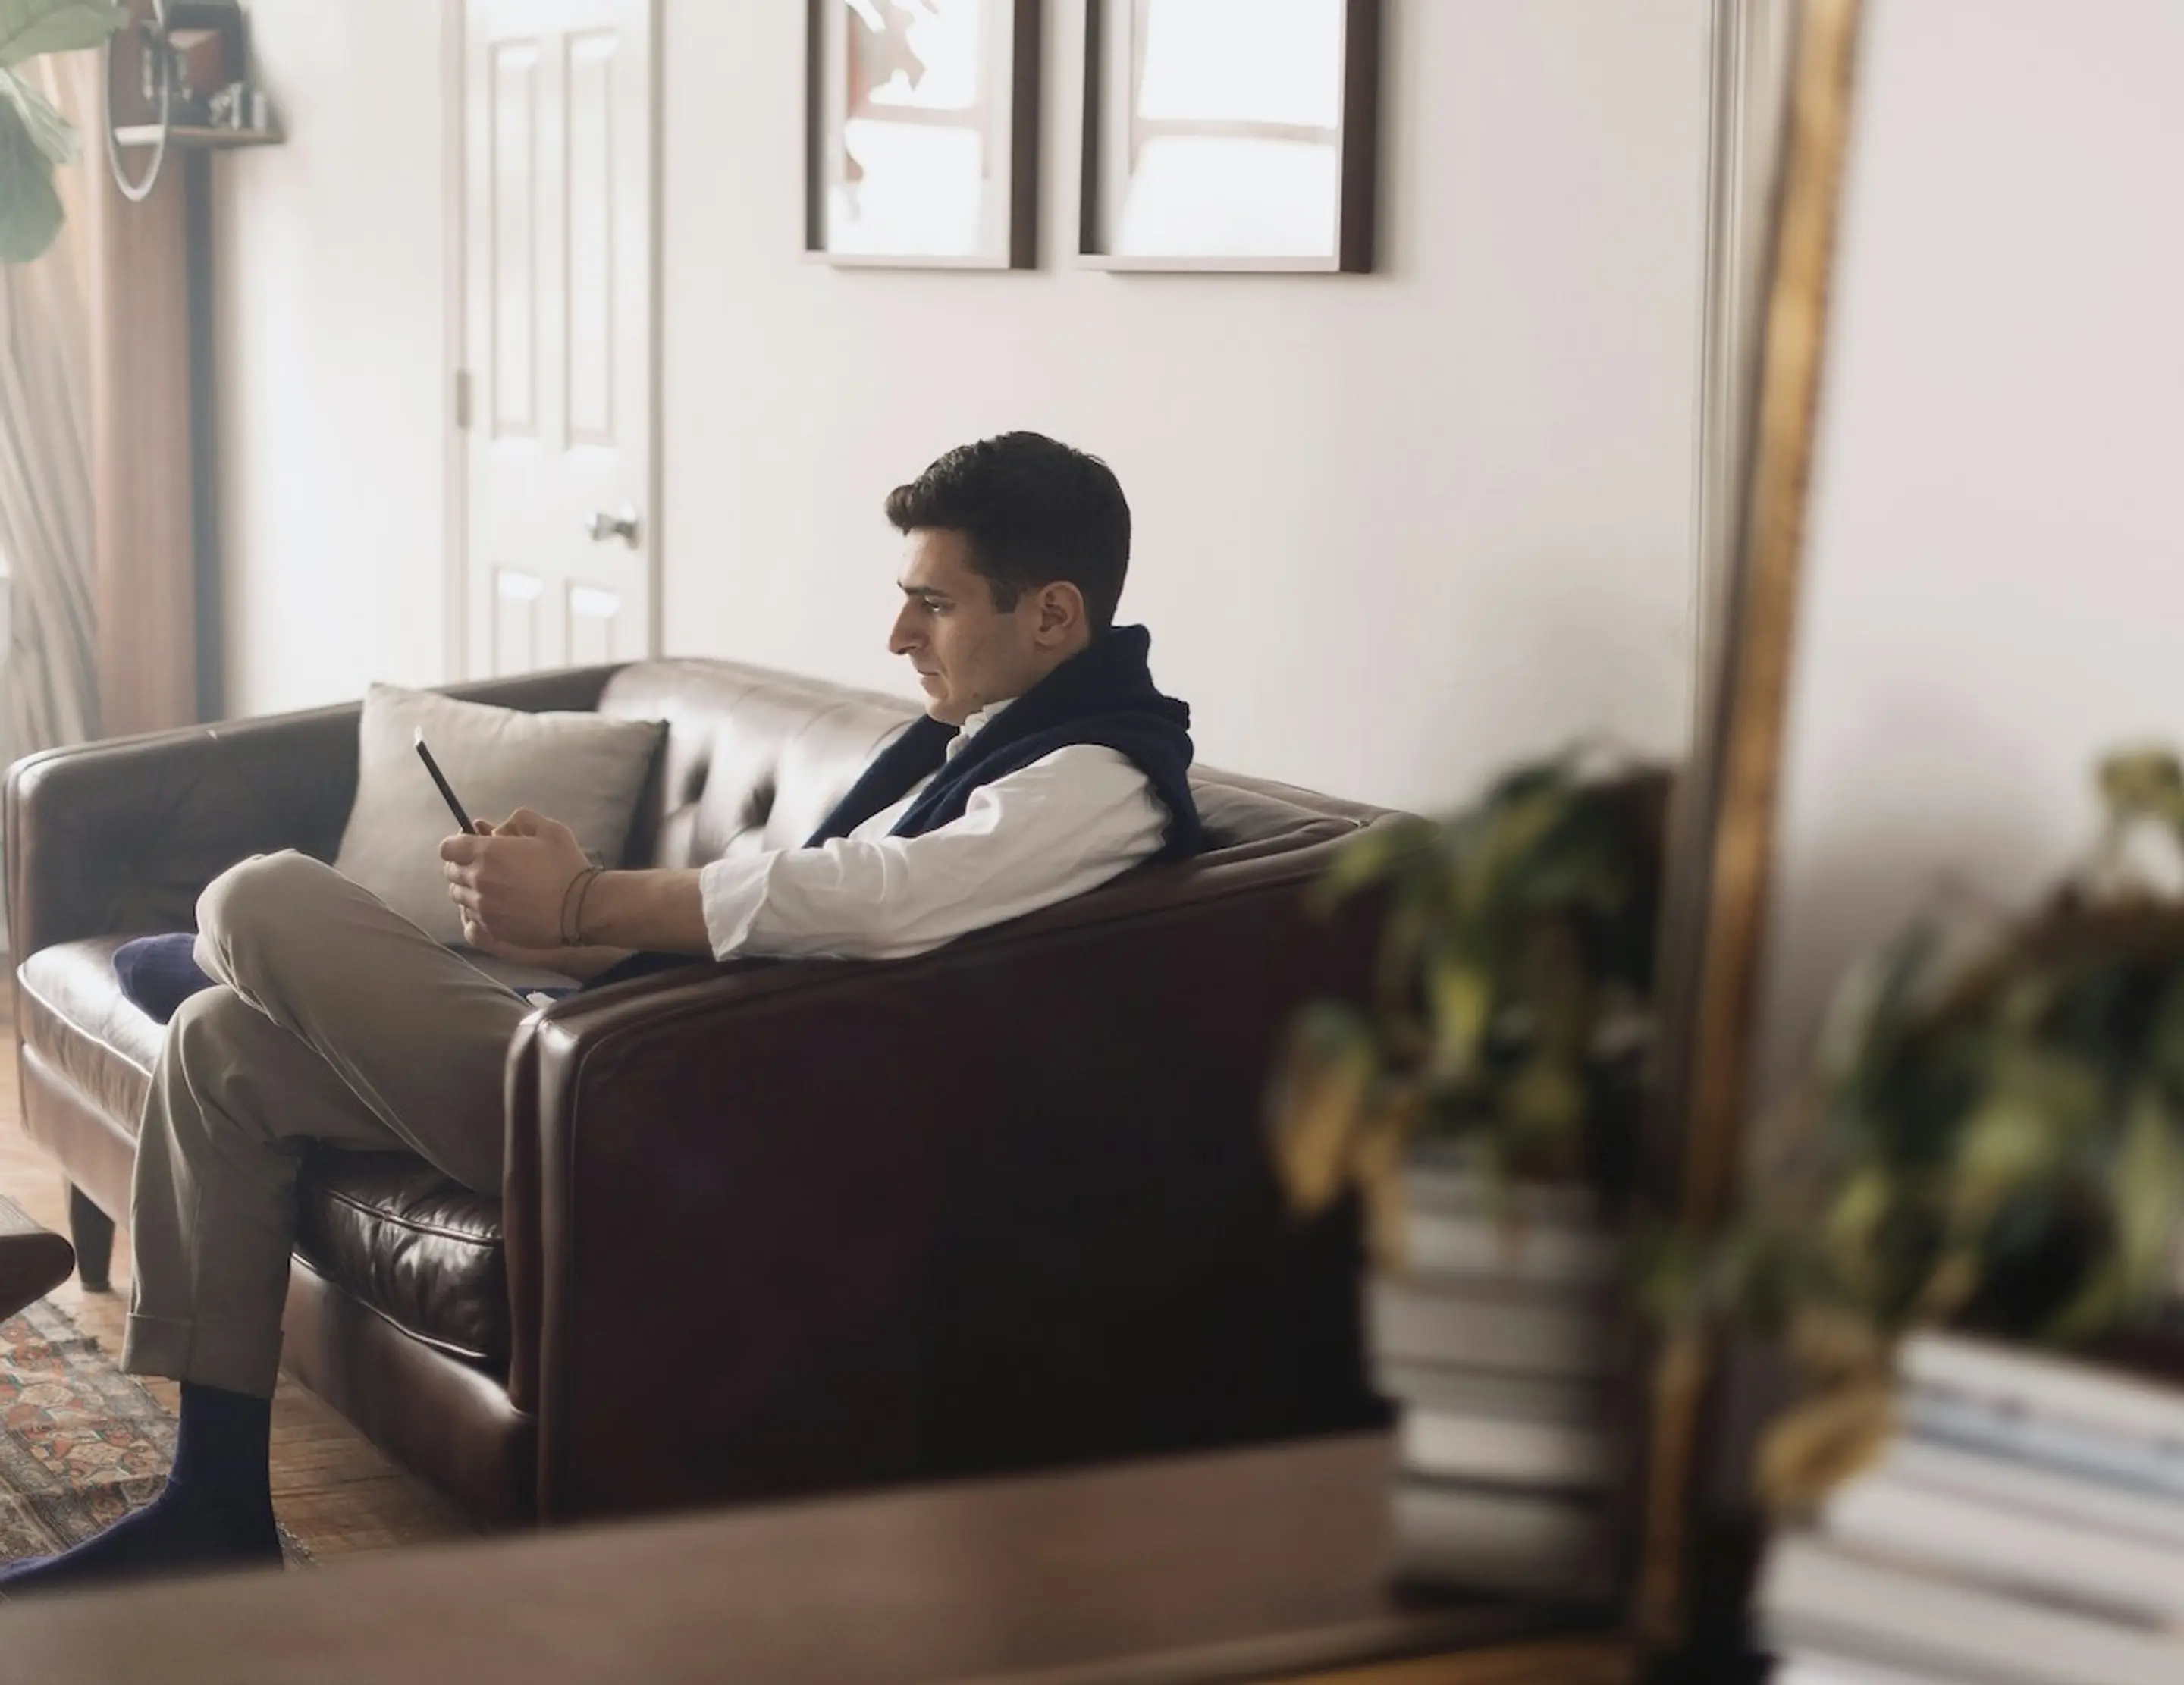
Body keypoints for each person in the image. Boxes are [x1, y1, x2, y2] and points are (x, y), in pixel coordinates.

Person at [0, 431, 1200, 1593]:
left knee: (254, 898)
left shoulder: (1098, 780)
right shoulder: (981, 745)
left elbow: (878, 900)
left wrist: (584, 897)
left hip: (680, 1130)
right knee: (219, 1047)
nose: (898, 635)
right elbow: (800, 924)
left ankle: (278, 977)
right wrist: (585, 926)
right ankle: (211, 1507)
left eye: (933, 604)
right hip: (640, 1065)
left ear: (1052, 614)